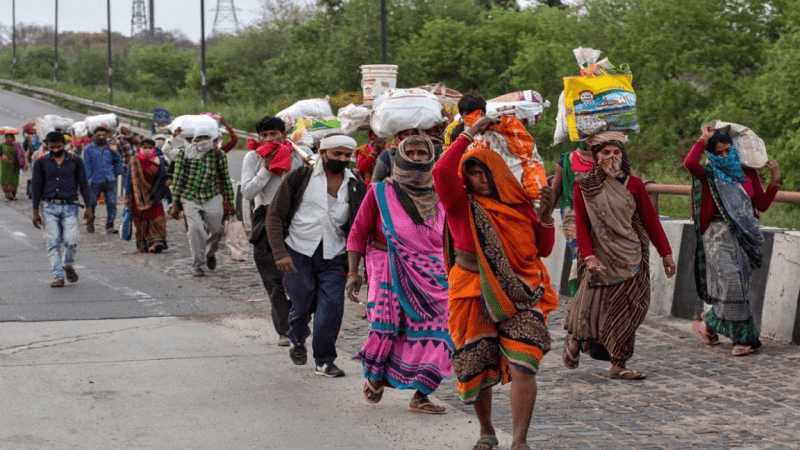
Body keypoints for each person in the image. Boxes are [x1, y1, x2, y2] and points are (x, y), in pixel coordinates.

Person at [433, 115, 558, 450]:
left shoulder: (520, 206)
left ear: (499, 173)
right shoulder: (460, 204)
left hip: (521, 292)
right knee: (478, 362)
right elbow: (441, 172)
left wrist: (546, 217)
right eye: (474, 173)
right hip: (471, 291)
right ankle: (486, 431)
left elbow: (542, 250)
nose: (481, 179)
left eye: (486, 172)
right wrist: (470, 132)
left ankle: (519, 440)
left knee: (524, 363)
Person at [346, 135, 453, 414]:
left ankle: (421, 394)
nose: (416, 157)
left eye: (422, 153)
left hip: (433, 273)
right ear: (401, 157)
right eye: (411, 152)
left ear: (430, 157)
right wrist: (353, 273)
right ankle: (377, 374)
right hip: (386, 266)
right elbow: (358, 233)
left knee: (440, 330)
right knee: (387, 327)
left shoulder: (441, 193)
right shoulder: (380, 191)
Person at [563, 132, 676, 380]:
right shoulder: (585, 186)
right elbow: (582, 225)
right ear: (595, 157)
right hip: (600, 255)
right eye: (606, 153)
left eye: (616, 152)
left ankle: (617, 360)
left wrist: (665, 253)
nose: (612, 157)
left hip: (631, 255)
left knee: (632, 306)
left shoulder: (634, 184)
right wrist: (589, 257)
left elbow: (650, 220)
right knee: (596, 305)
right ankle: (586, 343)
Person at [267, 134, 366, 378]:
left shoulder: (355, 185)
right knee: (302, 306)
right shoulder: (300, 177)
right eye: (336, 154)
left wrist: (356, 266)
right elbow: (275, 215)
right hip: (298, 252)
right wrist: (279, 252)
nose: (342, 159)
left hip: (335, 255)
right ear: (323, 153)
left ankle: (324, 360)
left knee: (331, 308)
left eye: (347, 155)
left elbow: (360, 226)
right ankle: (296, 336)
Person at [685, 125, 780, 356]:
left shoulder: (747, 174)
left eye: (728, 150)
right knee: (732, 283)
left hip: (742, 236)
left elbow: (761, 204)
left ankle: (710, 322)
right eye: (718, 152)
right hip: (716, 235)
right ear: (711, 154)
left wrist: (775, 179)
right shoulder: (708, 173)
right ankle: (743, 339)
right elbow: (690, 163)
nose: (724, 155)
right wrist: (702, 140)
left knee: (740, 287)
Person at [241, 116, 306, 347]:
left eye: (274, 134)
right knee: (273, 280)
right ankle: (284, 329)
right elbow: (248, 192)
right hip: (266, 218)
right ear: (259, 138)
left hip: (297, 219)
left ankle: (298, 317)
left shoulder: (299, 154)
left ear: (283, 135)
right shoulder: (253, 157)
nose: (269, 139)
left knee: (299, 276)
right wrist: (267, 169)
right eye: (264, 135)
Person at [169, 125, 235, 277]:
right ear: (194, 139)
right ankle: (197, 264)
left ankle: (209, 253)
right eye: (200, 138)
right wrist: (175, 203)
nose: (203, 140)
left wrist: (230, 201)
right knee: (196, 229)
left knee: (216, 230)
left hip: (211, 195)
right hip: (190, 196)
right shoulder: (184, 154)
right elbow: (178, 179)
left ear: (212, 139)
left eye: (207, 137)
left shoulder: (218, 154)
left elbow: (225, 178)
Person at [30, 132, 93, 287]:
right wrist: (35, 210)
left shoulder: (76, 161)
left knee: (71, 241)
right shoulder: (40, 162)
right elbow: (36, 187)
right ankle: (58, 276)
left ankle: (68, 264)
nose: (55, 150)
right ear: (47, 145)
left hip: (70, 206)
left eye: (58, 146)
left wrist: (89, 207)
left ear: (64, 144)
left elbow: (84, 184)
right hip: (49, 207)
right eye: (52, 147)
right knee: (53, 243)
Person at [551, 142, 595, 296]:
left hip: (599, 216)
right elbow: (555, 191)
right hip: (573, 217)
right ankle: (579, 296)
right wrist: (544, 220)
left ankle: (590, 298)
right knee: (581, 257)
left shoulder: (606, 158)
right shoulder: (566, 161)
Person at [124, 138, 169, 253]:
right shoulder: (134, 161)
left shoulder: (159, 160)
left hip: (154, 196)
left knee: (157, 218)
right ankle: (145, 244)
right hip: (138, 197)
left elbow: (163, 176)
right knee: (141, 221)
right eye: (144, 147)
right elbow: (129, 179)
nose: (147, 150)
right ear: (140, 148)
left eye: (150, 148)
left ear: (154, 149)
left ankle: (156, 242)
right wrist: (127, 196)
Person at [83, 126, 123, 234]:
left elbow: (118, 162)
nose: (101, 137)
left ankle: (110, 226)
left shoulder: (111, 148)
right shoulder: (88, 149)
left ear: (107, 136)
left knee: (112, 204)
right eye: (99, 135)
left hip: (109, 180)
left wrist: (115, 152)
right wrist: (88, 180)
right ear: (94, 136)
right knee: (92, 204)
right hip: (94, 181)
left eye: (103, 135)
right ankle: (90, 223)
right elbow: (86, 166)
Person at [1, 128, 25, 200]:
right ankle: (8, 194)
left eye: (11, 137)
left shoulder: (17, 146)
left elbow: (21, 155)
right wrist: (3, 156)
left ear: (13, 138)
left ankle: (13, 194)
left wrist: (22, 163)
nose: (9, 139)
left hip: (14, 166)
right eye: (7, 137)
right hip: (5, 167)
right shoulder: (2, 146)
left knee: (14, 180)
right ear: (5, 138)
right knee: (6, 180)